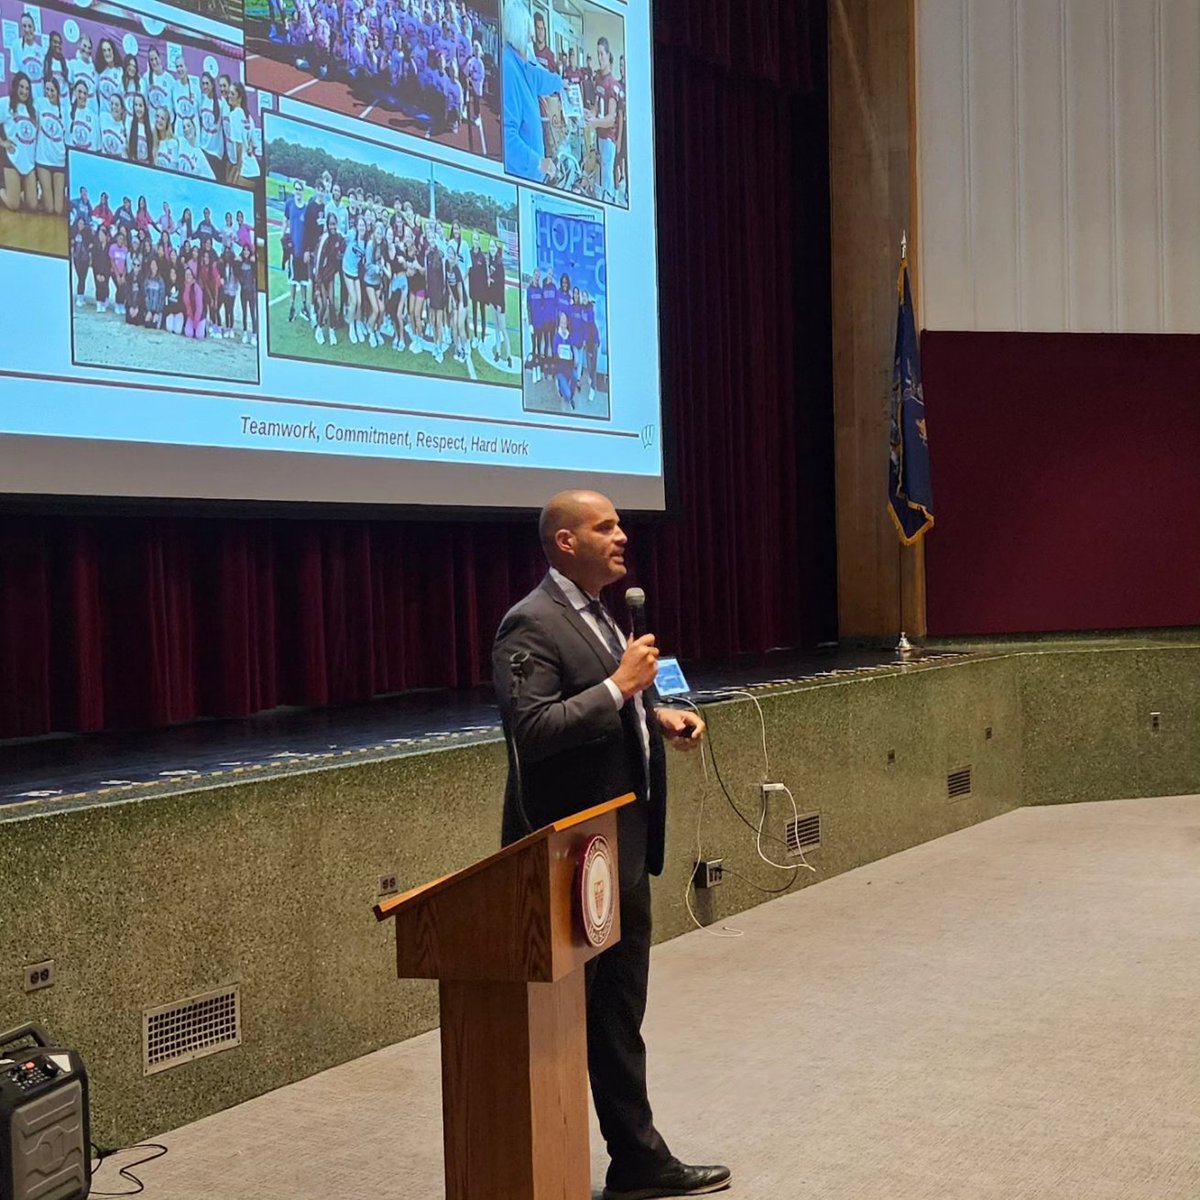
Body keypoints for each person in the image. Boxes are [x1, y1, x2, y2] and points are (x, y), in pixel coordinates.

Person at [492, 491, 730, 1200]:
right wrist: (619, 684)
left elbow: (610, 705)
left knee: (619, 1016)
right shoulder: (529, 622)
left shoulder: (602, 616)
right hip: (565, 857)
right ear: (565, 542)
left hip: (618, 852)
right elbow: (533, 732)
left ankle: (637, 1160)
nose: (624, 535)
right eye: (606, 526)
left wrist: (656, 715)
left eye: (621, 524)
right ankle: (551, 1168)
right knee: (569, 1023)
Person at [501, 1, 562, 184]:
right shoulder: (509, 67)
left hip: (534, 174)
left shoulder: (521, 61)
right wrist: (539, 164)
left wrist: (560, 84)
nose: (531, 38)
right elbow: (508, 139)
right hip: (523, 178)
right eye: (528, 32)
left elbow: (537, 77)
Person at [0, 72, 38, 213]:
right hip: (12, 159)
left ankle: (18, 191)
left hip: (28, 163)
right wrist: (3, 143)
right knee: (14, 205)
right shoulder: (6, 103)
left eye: (27, 88)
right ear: (15, 87)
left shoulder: (33, 109)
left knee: (32, 205)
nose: (24, 91)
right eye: (21, 87)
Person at [34, 72, 65, 215]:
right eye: (47, 89)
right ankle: (29, 196)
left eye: (52, 90)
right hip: (42, 159)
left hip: (59, 161)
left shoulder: (65, 109)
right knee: (50, 209)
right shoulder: (39, 103)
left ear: (58, 91)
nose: (49, 93)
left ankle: (41, 196)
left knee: (58, 210)